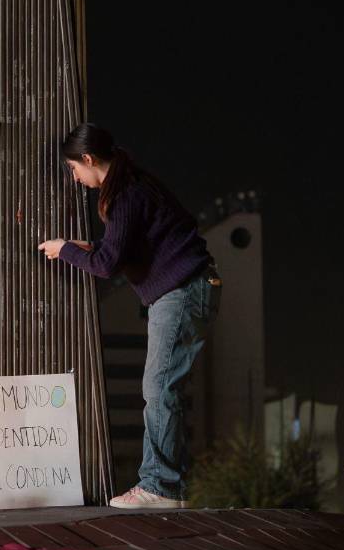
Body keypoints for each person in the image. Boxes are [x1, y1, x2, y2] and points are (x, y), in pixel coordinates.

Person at [38, 123, 222, 509]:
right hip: (186, 288)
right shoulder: (134, 186)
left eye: (74, 169)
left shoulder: (123, 195)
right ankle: (164, 485)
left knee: (159, 388)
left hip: (182, 291)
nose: (75, 178)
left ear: (88, 160)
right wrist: (90, 248)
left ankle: (161, 487)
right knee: (162, 388)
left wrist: (66, 250)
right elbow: (122, 248)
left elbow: (106, 265)